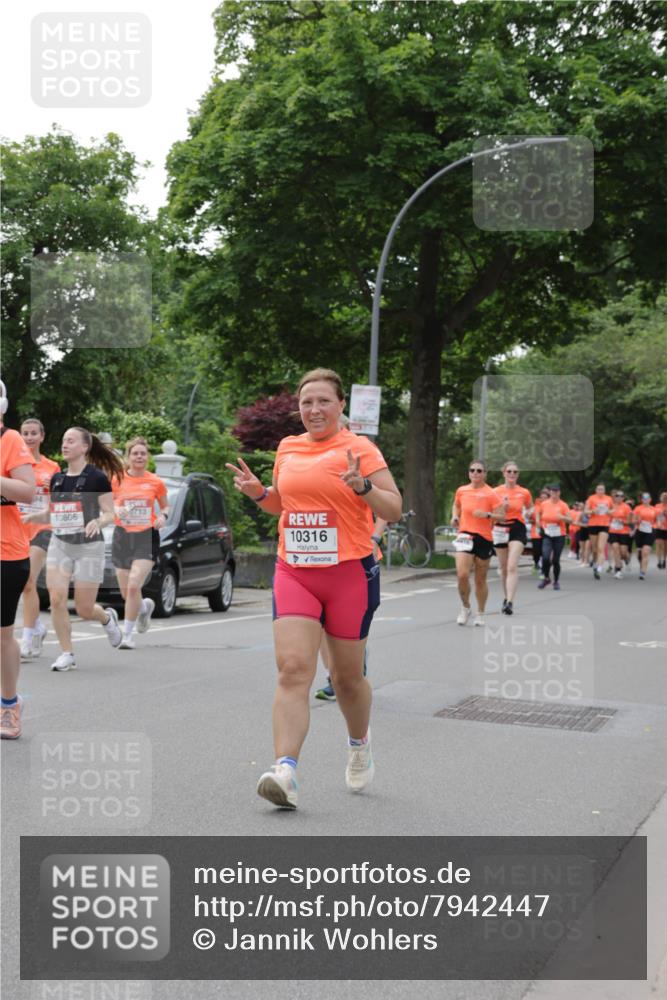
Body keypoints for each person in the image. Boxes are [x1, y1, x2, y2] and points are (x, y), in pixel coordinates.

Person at [226, 368, 402, 810]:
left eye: (323, 401)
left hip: (349, 574)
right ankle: (285, 770)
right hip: (295, 571)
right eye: (306, 402)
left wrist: (363, 486)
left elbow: (394, 508)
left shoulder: (359, 448)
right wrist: (258, 492)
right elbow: (282, 505)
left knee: (346, 678)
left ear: (341, 405)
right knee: (292, 670)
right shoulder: (288, 447)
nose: (314, 410)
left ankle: (359, 743)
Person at [34, 427, 125, 670]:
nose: (65, 445)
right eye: (63, 440)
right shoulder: (58, 479)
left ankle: (106, 618)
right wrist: (31, 517)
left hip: (88, 547)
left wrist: (98, 521)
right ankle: (67, 653)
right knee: (56, 598)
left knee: (84, 609)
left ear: (84, 447)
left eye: (71, 441)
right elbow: (52, 512)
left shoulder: (96, 478)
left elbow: (109, 513)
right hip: (61, 543)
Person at [1, 380, 36, 739]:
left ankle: (9, 705)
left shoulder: (10, 440)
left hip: (6, 551)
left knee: (2, 635)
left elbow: (27, 490)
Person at [315, 523, 384, 701]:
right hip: (318, 553)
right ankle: (333, 678)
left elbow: (387, 507)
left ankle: (355, 658)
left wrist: (375, 538)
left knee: (346, 623)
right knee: (320, 622)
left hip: (357, 553)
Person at [111, 437, 169, 649]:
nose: (139, 457)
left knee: (135, 584)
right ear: (128, 457)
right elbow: (107, 505)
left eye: (143, 454)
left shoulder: (156, 482)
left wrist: (163, 517)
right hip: (123, 536)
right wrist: (116, 510)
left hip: (146, 536)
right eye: (135, 453)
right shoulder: (117, 479)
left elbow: (165, 506)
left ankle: (127, 635)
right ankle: (144, 608)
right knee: (127, 592)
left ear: (148, 457)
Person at [17, 418, 61, 659]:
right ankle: (37, 628)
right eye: (25, 433)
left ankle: (26, 637)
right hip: (17, 529)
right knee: (22, 584)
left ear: (42, 436)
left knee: (28, 581)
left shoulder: (52, 468)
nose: (30, 437)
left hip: (43, 529)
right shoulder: (14, 466)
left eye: (34, 433)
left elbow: (59, 501)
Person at [451, 460, 506, 627]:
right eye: (472, 470)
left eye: (479, 470)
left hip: (484, 537)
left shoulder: (491, 493)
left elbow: (502, 516)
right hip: (465, 535)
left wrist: (487, 515)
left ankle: (480, 612)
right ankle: (465, 607)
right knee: (462, 575)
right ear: (469, 473)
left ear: (485, 474)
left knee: (480, 579)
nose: (475, 473)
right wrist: (454, 516)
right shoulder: (462, 490)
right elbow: (456, 505)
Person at [492, 461, 531, 616]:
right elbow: (490, 511)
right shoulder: (495, 492)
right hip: (500, 527)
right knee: (503, 568)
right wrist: (502, 507)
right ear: (504, 473)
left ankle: (509, 602)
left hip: (517, 528)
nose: (512, 474)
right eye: (509, 471)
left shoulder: (524, 492)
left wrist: (529, 513)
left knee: (512, 566)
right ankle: (506, 596)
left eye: (515, 472)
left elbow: (530, 506)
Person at [536, 485, 572, 591]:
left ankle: (556, 581)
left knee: (555, 560)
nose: (554, 494)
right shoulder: (544, 504)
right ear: (550, 493)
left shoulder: (563, 505)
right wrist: (538, 522)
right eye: (552, 492)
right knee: (546, 557)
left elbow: (570, 520)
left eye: (556, 492)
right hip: (547, 534)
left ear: (559, 493)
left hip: (559, 535)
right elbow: (538, 513)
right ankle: (546, 578)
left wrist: (563, 518)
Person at [584, 483, 613, 579]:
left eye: (602, 489)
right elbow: (585, 511)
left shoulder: (608, 499)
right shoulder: (591, 498)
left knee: (601, 548)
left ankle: (599, 567)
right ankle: (596, 564)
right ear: (596, 490)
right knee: (595, 549)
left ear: (604, 490)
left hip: (604, 525)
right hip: (593, 525)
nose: (600, 491)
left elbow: (613, 511)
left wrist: (609, 511)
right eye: (599, 489)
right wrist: (593, 511)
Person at [607, 491, 632, 579]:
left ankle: (626, 560)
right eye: (617, 496)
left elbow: (630, 521)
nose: (619, 497)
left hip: (624, 532)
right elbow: (607, 517)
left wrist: (622, 521)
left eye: (621, 496)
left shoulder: (627, 507)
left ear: (623, 498)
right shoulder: (611, 506)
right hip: (613, 531)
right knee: (615, 549)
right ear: (614, 497)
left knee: (623, 552)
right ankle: (618, 570)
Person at [633, 493, 657, 580]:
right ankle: (641, 564)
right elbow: (633, 520)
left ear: (650, 499)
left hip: (650, 531)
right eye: (644, 498)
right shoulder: (637, 508)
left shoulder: (654, 509)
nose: (646, 500)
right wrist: (637, 520)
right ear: (642, 500)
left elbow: (658, 520)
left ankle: (642, 572)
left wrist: (658, 524)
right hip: (640, 532)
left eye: (647, 498)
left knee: (645, 552)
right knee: (639, 554)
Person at [528, 488, 549, 575]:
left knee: (545, 550)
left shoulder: (550, 506)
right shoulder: (535, 507)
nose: (543, 499)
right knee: (536, 550)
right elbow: (529, 520)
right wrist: (534, 521)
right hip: (536, 531)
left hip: (547, 531)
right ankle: (536, 562)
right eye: (542, 497)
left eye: (545, 497)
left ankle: (544, 566)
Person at [654, 491, 667, 570]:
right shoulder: (657, 506)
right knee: (659, 544)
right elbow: (654, 516)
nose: (665, 498)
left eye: (666, 496)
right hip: (658, 528)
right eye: (663, 496)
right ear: (660, 498)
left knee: (665, 546)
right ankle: (659, 561)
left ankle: (664, 559)